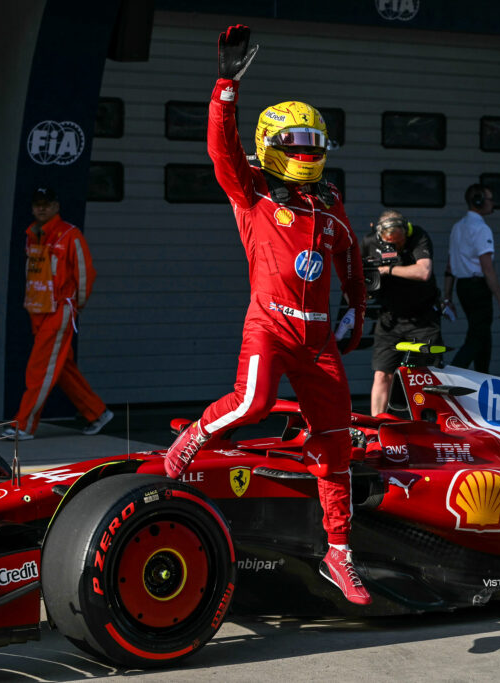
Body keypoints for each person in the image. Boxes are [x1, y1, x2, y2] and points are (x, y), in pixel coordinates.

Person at [163, 25, 371, 605]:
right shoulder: (250, 191)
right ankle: (194, 436)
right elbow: (221, 150)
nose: (306, 150)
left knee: (336, 442)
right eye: (295, 141)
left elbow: (350, 256)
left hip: (319, 342)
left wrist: (357, 306)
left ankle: (339, 553)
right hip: (270, 326)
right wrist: (225, 87)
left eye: (314, 140)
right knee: (251, 403)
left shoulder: (328, 203)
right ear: (272, 144)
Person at [3, 186, 113, 440]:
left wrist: (75, 306)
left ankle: (24, 425)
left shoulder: (70, 235)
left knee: (39, 368)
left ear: (56, 206)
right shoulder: (32, 234)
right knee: (61, 368)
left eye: (47, 203)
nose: (42, 208)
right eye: (37, 204)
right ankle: (97, 412)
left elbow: (85, 274)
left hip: (60, 309)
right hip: (37, 310)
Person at [362, 210, 444, 416]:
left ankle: (429, 423)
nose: (396, 247)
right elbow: (357, 275)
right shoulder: (370, 242)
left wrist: (387, 270)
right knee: (382, 374)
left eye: (399, 243)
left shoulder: (418, 236)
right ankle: (376, 424)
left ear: (406, 232)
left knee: (425, 373)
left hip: (423, 318)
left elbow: (424, 272)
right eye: (391, 244)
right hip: (390, 317)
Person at [444, 184, 500, 372]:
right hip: (478, 287)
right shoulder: (481, 229)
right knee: (477, 337)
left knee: (483, 335)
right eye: (490, 199)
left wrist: (447, 296)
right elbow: (487, 268)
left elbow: (449, 266)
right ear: (479, 201)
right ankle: (453, 375)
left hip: (463, 287)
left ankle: (483, 377)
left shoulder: (457, 227)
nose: (493, 203)